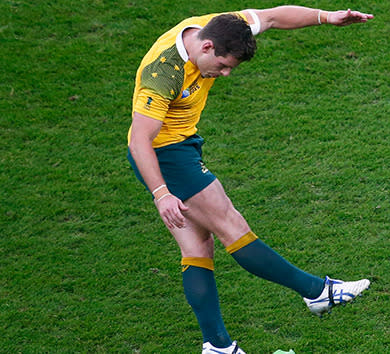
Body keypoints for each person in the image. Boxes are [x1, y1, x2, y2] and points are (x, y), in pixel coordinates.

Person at [126, 6, 374, 354]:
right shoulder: (164, 73)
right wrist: (161, 193)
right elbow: (139, 141)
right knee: (231, 224)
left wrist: (326, 17)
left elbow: (271, 17)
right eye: (224, 65)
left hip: (182, 144)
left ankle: (217, 347)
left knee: (197, 249)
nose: (226, 74)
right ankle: (318, 292)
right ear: (207, 47)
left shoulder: (223, 28)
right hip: (164, 155)